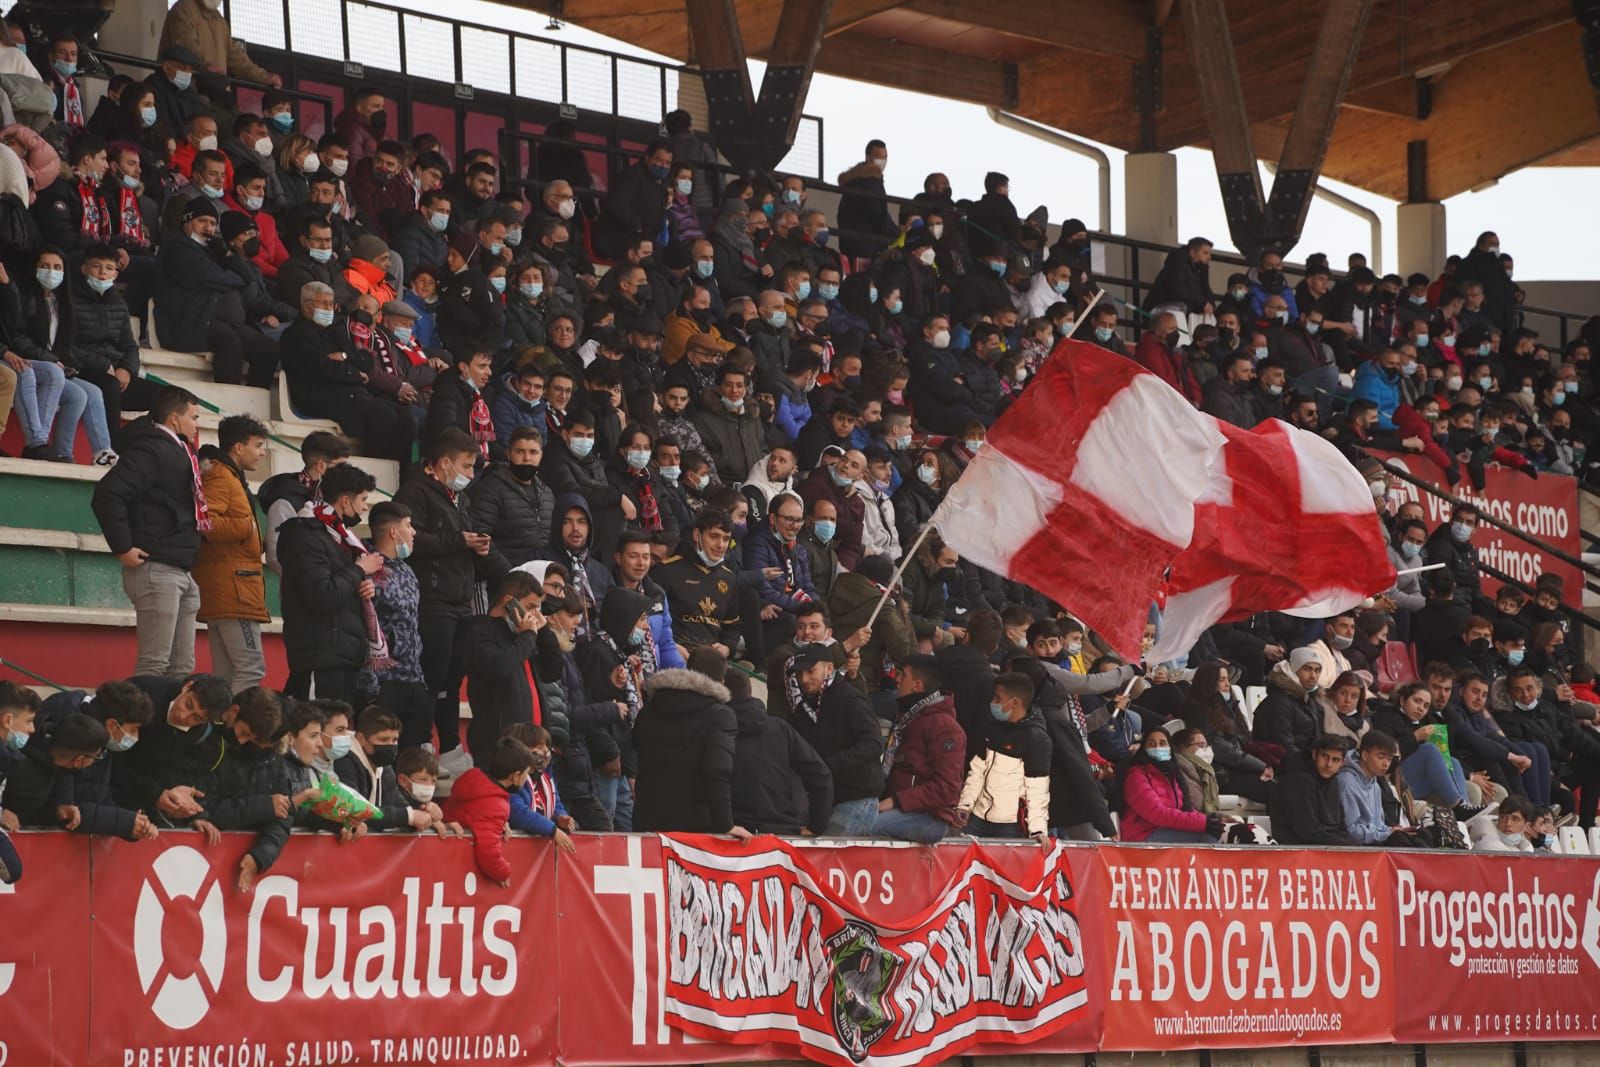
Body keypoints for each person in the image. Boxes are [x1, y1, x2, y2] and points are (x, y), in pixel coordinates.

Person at [395, 428, 509, 764]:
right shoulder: (414, 493)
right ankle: (418, 742)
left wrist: (481, 548)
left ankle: (447, 744)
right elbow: (414, 543)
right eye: (467, 466)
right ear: (444, 463)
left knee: (451, 677)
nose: (471, 475)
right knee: (431, 674)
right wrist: (460, 541)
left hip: (461, 602)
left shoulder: (460, 498)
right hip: (432, 602)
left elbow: (462, 541)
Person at [91, 386, 207, 678]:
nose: (197, 425)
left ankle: (165, 724)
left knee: (181, 668)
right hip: (157, 566)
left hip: (180, 565)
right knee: (155, 664)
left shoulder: (175, 449)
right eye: (193, 417)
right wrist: (123, 547)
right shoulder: (151, 448)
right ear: (174, 419)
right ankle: (143, 724)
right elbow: (108, 493)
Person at [276, 461, 383, 703]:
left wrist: (362, 587)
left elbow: (340, 585)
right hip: (320, 656)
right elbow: (321, 594)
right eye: (363, 500)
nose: (365, 507)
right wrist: (358, 569)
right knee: (319, 732)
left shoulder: (341, 537)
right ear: (345, 501)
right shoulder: (305, 533)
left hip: (344, 655)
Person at [280, 280, 412, 464]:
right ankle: (377, 469)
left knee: (407, 417)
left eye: (331, 304)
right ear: (308, 307)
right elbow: (321, 370)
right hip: (320, 395)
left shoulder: (335, 331)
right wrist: (355, 374)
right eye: (323, 303)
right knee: (384, 416)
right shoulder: (295, 335)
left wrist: (342, 356)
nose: (329, 308)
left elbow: (365, 360)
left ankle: (400, 473)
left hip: (349, 393)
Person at [195, 415, 271, 693]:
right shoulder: (221, 475)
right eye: (258, 445)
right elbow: (205, 523)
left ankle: (224, 732)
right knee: (251, 668)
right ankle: (238, 732)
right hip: (235, 588)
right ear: (238, 447)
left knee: (226, 675)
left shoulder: (227, 476)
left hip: (232, 585)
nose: (263, 452)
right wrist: (244, 526)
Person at [631, 650, 744, 835]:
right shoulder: (721, 716)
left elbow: (634, 751)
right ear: (722, 682)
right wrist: (726, 825)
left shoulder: (649, 710)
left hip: (649, 822)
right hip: (698, 829)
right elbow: (717, 770)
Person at [786, 645, 885, 834]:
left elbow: (873, 744)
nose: (804, 679)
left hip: (858, 797)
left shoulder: (850, 698)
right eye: (799, 674)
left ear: (829, 668)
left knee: (824, 854)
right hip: (823, 798)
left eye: (810, 671)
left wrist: (826, 766)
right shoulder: (803, 709)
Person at [726, 667, 832, 835]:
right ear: (750, 694)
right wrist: (816, 827)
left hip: (731, 837)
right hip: (781, 836)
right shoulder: (780, 728)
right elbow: (820, 775)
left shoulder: (716, 731)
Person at [874, 655, 965, 843]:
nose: (896, 680)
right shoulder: (907, 719)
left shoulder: (944, 727)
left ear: (917, 685)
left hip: (929, 817)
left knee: (863, 827)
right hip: (901, 809)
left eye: (902, 675)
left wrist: (896, 801)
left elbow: (947, 788)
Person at [953, 672, 1050, 841]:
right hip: (976, 819)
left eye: (997, 699)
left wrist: (1038, 830)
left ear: (1014, 703)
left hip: (1010, 827)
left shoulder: (1037, 739)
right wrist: (965, 805)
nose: (992, 703)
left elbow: (1037, 787)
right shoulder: (990, 728)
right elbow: (977, 770)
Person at [461, 570, 547, 760]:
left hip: (533, 744)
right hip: (499, 746)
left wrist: (544, 632)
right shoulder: (481, 632)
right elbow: (500, 667)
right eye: (531, 607)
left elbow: (552, 670)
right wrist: (528, 636)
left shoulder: (521, 634)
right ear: (510, 601)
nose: (535, 615)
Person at [441, 736, 537, 887]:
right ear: (516, 776)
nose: (527, 779)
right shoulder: (495, 805)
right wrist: (504, 872)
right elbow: (488, 852)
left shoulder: (473, 778)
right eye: (527, 774)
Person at [260, 430, 350, 575]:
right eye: (341, 467)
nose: (347, 473)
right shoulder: (285, 499)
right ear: (321, 466)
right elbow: (276, 556)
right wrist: (312, 581)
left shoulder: (331, 498)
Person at [1120, 727, 1226, 843]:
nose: (1157, 747)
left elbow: (1185, 809)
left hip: (1166, 831)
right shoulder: (1136, 776)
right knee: (1204, 834)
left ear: (1170, 748)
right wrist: (1203, 822)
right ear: (1144, 749)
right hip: (1142, 837)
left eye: (1162, 743)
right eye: (1151, 744)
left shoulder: (1171, 775)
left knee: (1216, 830)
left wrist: (1215, 819)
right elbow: (1157, 813)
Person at [469, 425, 555, 568]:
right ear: (509, 454)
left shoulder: (547, 493)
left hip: (541, 579)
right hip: (506, 581)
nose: (527, 458)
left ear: (541, 455)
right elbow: (480, 537)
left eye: (533, 452)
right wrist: (510, 574)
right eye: (519, 451)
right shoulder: (490, 487)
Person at [1271, 734, 1355, 845]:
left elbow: (1340, 826)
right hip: (1295, 851)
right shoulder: (1297, 780)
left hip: (1324, 847)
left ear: (1342, 762)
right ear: (1315, 754)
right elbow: (1308, 832)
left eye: (1335, 760)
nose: (1328, 764)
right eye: (1325, 756)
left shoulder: (1332, 780)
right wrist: (1345, 845)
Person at [1251, 648, 1323, 765]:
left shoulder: (1308, 700)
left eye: (1317, 670)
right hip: (1282, 769)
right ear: (1294, 670)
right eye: (1307, 669)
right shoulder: (1278, 702)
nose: (1313, 676)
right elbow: (1283, 748)